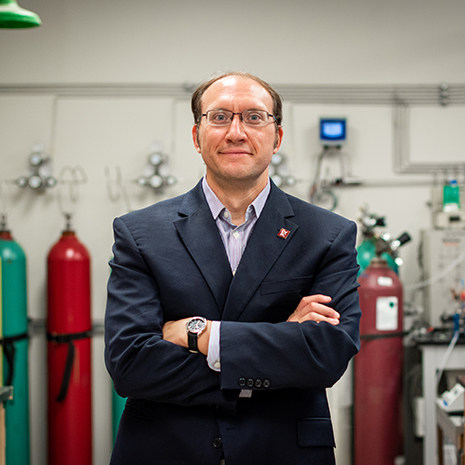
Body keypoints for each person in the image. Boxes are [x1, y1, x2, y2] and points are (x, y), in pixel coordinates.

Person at [104, 72, 361, 465]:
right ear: (196, 136)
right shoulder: (140, 233)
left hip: (282, 451)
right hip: (165, 448)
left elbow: (326, 355)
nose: (236, 132)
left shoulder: (327, 234)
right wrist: (281, 343)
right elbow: (131, 363)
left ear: (277, 138)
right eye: (220, 117)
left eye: (255, 117)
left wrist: (200, 334)